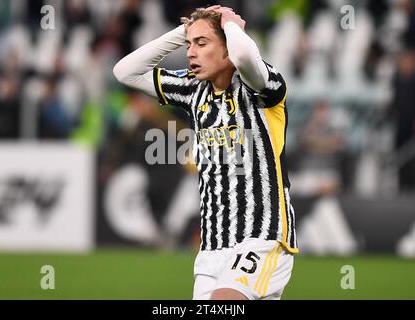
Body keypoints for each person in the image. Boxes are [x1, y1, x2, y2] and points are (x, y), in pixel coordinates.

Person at [113, 5, 298, 300]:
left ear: (226, 49)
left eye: (201, 43)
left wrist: (230, 24)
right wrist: (182, 31)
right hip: (212, 250)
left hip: (261, 238)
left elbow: (244, 57)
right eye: (189, 45)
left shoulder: (264, 89)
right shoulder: (193, 90)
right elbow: (125, 72)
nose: (190, 53)